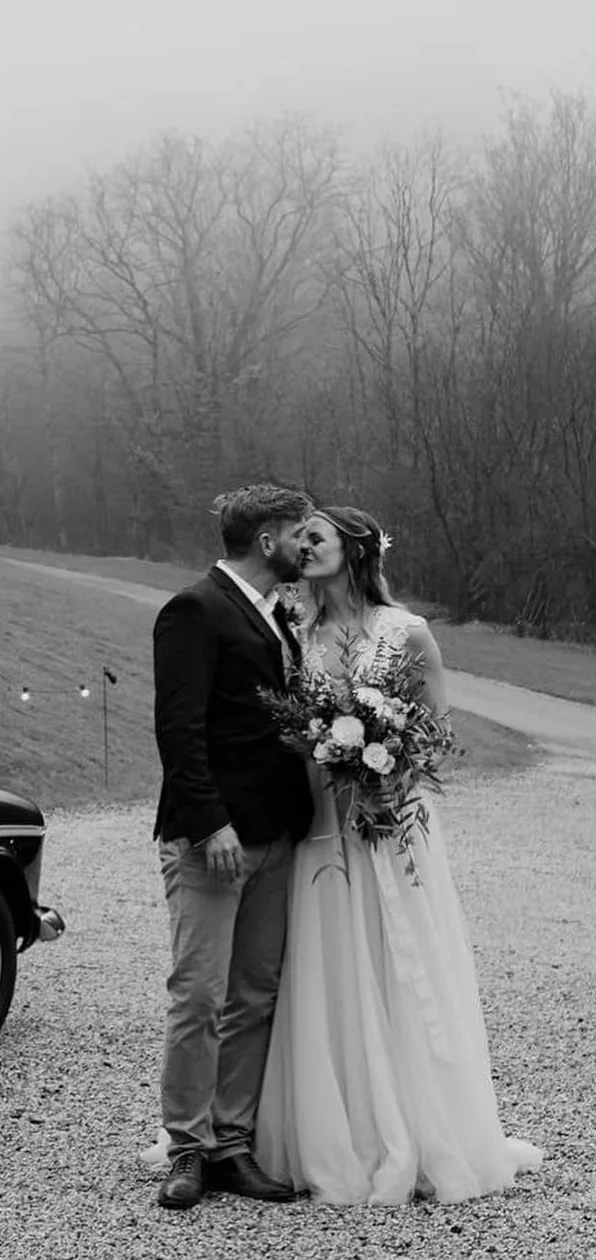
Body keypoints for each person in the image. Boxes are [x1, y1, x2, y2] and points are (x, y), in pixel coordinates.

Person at [253, 506, 543, 1204]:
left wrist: (388, 772)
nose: (305, 546)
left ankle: (418, 1124)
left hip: (392, 818)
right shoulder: (294, 631)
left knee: (399, 953)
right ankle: (335, 1126)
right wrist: (320, 748)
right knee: (328, 958)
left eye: (318, 537)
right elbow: (283, 728)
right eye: (302, 539)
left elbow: (438, 732)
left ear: (354, 551)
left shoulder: (405, 631)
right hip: (323, 818)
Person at [150, 483, 316, 1209]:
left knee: (253, 997)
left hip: (278, 834)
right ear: (268, 539)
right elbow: (178, 729)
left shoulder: (281, 618)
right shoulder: (194, 609)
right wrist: (210, 822)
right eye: (299, 536)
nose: (308, 548)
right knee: (199, 997)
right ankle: (186, 1149)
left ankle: (232, 1144)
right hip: (212, 841)